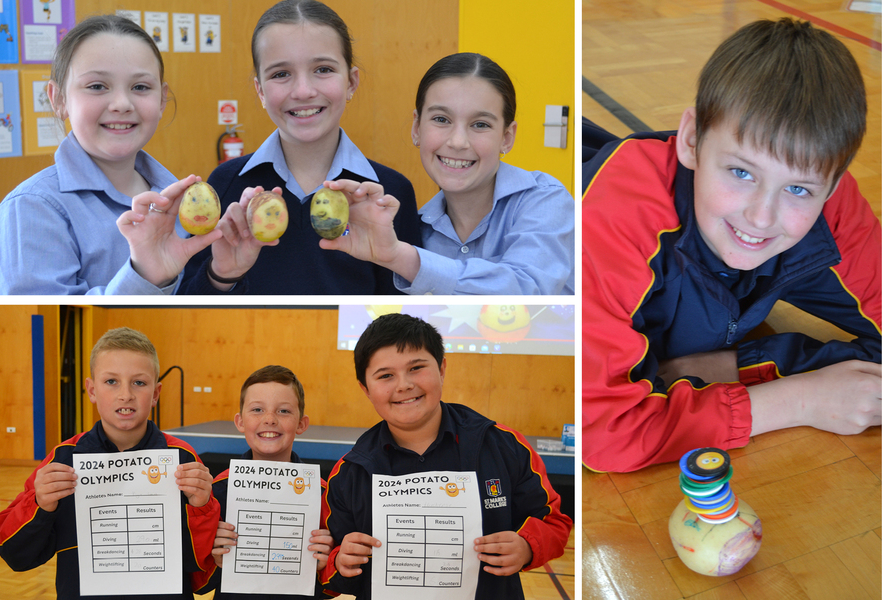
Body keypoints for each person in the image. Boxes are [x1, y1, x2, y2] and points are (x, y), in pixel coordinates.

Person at [580, 18, 882, 473]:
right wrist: (797, 400)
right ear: (691, 140)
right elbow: (602, 431)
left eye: (799, 189)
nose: (761, 217)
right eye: (741, 172)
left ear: (832, 187)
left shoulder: (832, 209)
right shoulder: (614, 215)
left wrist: (739, 365)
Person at [320, 313, 572, 598]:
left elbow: (555, 522)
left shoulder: (504, 446)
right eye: (386, 375)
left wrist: (527, 547)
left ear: (441, 369)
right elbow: (329, 571)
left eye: (416, 368)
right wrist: (341, 562)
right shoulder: (349, 471)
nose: (403, 385)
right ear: (365, 389)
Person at [179, 0, 421, 294]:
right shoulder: (225, 185)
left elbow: (405, 315)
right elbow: (185, 302)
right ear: (261, 91)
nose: (304, 91)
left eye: (323, 69)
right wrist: (222, 276)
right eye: (281, 74)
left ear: (351, 83)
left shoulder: (390, 193)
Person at [0, 15, 221, 294]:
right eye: (97, 86)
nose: (122, 103)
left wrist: (222, 275)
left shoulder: (176, 200)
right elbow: (44, 323)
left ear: (161, 100)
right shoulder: (31, 209)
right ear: (59, 99)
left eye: (140, 87)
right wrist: (143, 275)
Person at [0, 327, 220, 599]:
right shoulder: (63, 459)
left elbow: (201, 575)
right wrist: (40, 505)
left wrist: (202, 507)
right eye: (111, 381)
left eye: (139, 382)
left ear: (156, 393)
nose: (126, 394)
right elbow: (15, 554)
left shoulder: (183, 459)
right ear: (91, 390)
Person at [320, 52, 575, 295]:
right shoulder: (414, 229)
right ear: (417, 128)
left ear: (506, 138)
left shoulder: (545, 200)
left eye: (480, 125)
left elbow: (528, 289)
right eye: (441, 120)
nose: (458, 141)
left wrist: (401, 258)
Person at [191, 365, 333, 599]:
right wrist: (214, 558)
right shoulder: (217, 490)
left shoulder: (323, 494)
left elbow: (332, 589)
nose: (269, 420)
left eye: (284, 411)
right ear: (240, 422)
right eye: (257, 409)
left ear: (301, 424)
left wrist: (325, 563)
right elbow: (200, 585)